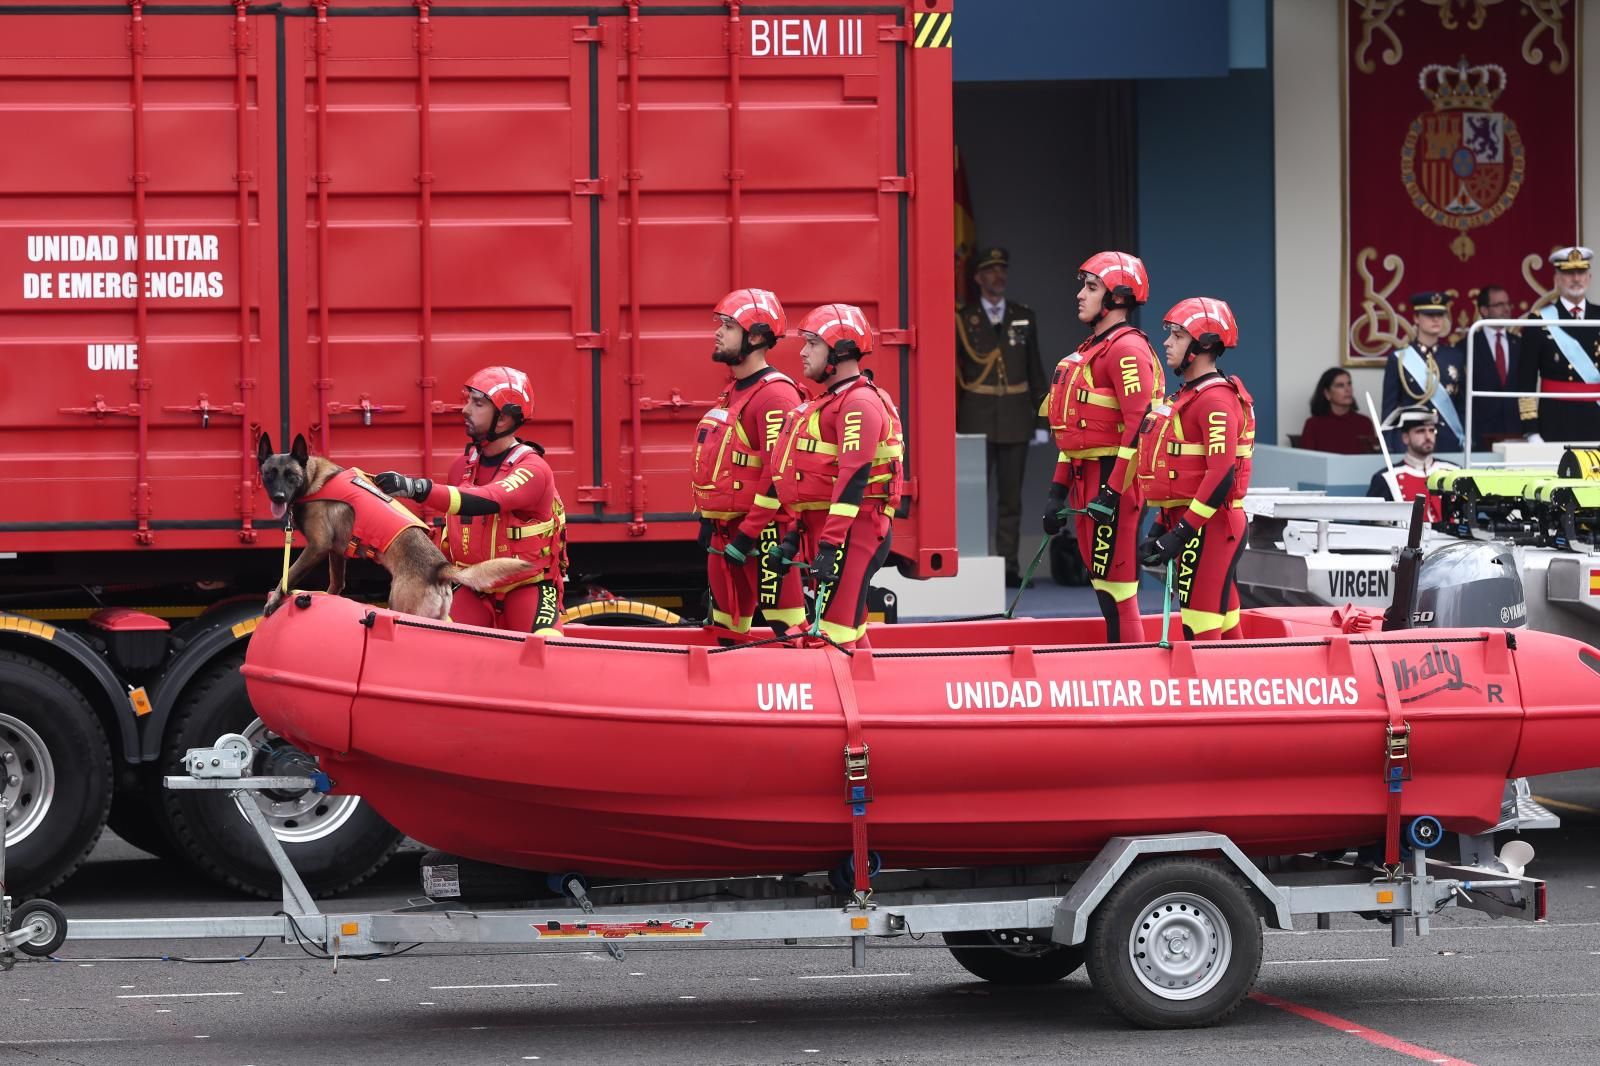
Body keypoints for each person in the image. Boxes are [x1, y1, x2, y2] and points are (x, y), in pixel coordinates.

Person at [374, 366, 567, 636]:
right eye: (468, 401)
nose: (465, 410)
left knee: (548, 648)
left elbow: (489, 499)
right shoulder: (462, 467)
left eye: (477, 404)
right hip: (471, 587)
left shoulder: (533, 469)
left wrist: (416, 488)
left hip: (527, 587)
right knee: (428, 639)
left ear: (504, 418)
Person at [1042, 251, 1163, 643]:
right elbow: (1076, 431)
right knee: (1102, 582)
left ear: (1119, 298)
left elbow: (1139, 426)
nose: (1081, 295)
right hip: (1088, 480)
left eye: (1091, 288)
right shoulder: (1095, 347)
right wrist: (1056, 491)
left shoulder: (1126, 350)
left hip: (1113, 481)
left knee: (1119, 587)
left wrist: (1113, 490)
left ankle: (1131, 671)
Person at [768, 304, 903, 648]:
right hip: (831, 535)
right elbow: (818, 486)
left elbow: (853, 479)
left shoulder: (858, 403)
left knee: (831, 639)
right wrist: (795, 536)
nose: (802, 352)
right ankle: (872, 691)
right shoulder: (830, 401)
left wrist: (830, 545)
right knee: (849, 632)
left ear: (840, 350)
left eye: (812, 343)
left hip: (851, 536)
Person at [1129, 298, 1255, 642]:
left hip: (1212, 526)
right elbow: (1184, 479)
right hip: (1195, 524)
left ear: (1204, 345)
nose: (1167, 342)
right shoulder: (1189, 395)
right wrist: (1159, 526)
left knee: (1199, 625)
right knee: (1225, 622)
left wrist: (1181, 532)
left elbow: (1220, 476)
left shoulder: (1214, 401)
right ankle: (1247, 686)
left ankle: (1212, 694)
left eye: (1178, 335)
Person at [690, 288, 807, 637]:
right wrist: (711, 523)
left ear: (755, 336)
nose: (718, 332)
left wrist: (749, 534)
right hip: (726, 532)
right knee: (725, 629)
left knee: (787, 629)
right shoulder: (735, 389)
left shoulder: (775, 395)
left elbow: (777, 473)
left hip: (763, 535)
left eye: (728, 325)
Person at [955, 246, 1049, 585]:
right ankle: (970, 563)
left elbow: (1035, 370)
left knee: (1011, 498)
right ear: (978, 278)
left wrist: (1041, 420)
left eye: (1002, 269)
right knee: (971, 497)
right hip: (975, 416)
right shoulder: (963, 319)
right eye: (991, 270)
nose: (999, 276)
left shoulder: (1024, 315)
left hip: (1015, 417)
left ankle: (1008, 564)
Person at [1517, 245, 1600, 443]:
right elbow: (1525, 380)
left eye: (1581, 272)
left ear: (1589, 277)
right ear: (1557, 280)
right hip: (1556, 418)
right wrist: (1531, 430)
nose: (1576, 278)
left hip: (1595, 417)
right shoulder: (1539, 321)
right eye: (1569, 273)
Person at [1381, 292, 1467, 454]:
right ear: (1416, 318)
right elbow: (1389, 409)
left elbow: (1462, 405)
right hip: (1413, 441)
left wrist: (1468, 439)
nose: (1436, 320)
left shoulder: (1455, 356)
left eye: (1440, 315)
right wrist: (1389, 446)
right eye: (1429, 315)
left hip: (1449, 439)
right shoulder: (1399, 358)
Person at [1366, 408, 1457, 505]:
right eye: (1420, 431)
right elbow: (1370, 517)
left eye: (1431, 430)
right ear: (1405, 438)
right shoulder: (1387, 478)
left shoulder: (1454, 472)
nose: (1428, 436)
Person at [1470, 285, 1521, 448]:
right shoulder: (1468, 345)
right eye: (1499, 305)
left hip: (1516, 430)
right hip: (1481, 433)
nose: (1506, 309)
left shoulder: (1520, 345)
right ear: (1484, 310)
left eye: (1508, 304)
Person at [1298, 368, 1377, 454]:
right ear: (1327, 394)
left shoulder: (1364, 422)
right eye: (1340, 385)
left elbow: (1370, 459)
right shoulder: (1313, 424)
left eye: (1349, 384)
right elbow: (1308, 462)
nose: (1348, 390)